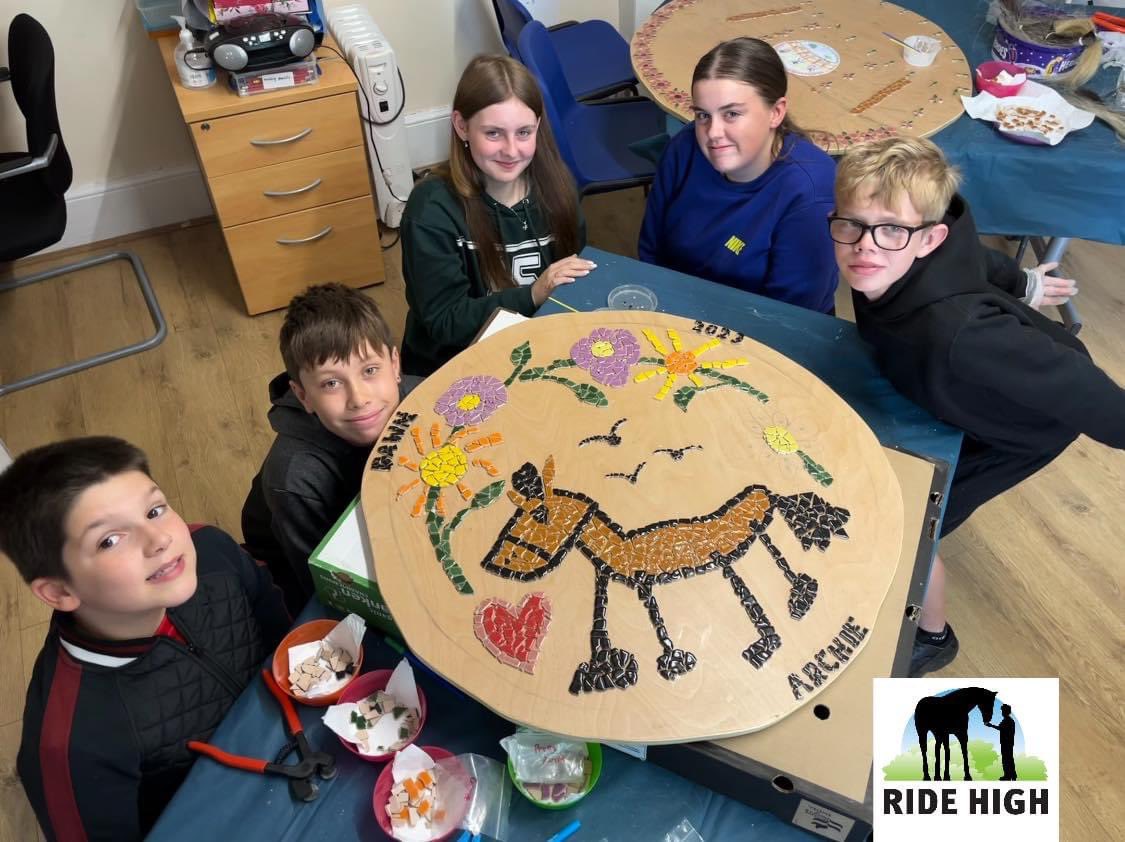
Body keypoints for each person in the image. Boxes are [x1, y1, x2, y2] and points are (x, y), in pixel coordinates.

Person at [831, 136, 1125, 676]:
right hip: (960, 384)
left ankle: (933, 638)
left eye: (891, 230)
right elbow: (972, 255)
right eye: (852, 224)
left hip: (1018, 424)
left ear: (928, 239)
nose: (865, 246)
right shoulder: (916, 247)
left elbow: (1086, 393)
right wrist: (1023, 282)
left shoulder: (960, 334)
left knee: (908, 528)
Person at [0, 437, 290, 841]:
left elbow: (287, 640)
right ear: (60, 591)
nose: (159, 540)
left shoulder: (210, 549)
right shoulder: (72, 745)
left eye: (154, 510)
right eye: (109, 540)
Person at [400, 54, 594, 376]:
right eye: (493, 133)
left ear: (538, 126)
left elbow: (575, 275)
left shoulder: (559, 189)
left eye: (524, 132)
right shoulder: (430, 210)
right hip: (452, 366)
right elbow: (445, 321)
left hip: (533, 350)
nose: (511, 150)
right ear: (462, 126)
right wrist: (533, 294)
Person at [241, 283, 421, 613]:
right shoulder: (293, 478)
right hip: (296, 563)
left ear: (395, 365)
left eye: (370, 370)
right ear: (303, 395)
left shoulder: (420, 397)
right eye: (331, 383)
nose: (359, 399)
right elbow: (327, 584)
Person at [639, 37, 838, 313]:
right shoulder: (683, 148)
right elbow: (650, 249)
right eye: (703, 115)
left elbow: (790, 316)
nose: (713, 133)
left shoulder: (810, 190)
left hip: (760, 328)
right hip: (675, 307)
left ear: (776, 112)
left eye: (731, 114)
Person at [985, 703, 1018, 780]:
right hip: (1008, 743)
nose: (1002, 712)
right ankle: (1012, 775)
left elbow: (1000, 728)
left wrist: (991, 725)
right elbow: (1001, 728)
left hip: (1006, 743)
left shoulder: (1007, 721)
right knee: (1009, 759)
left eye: (1003, 711)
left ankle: (1008, 776)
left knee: (1006, 759)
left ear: (1006, 711)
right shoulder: (1009, 720)